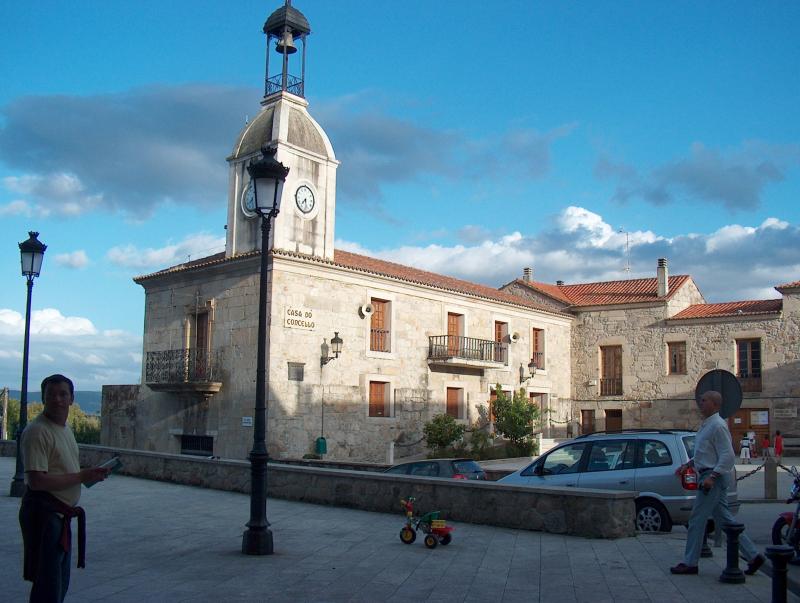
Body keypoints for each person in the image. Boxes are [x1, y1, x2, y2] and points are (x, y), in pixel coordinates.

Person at [18, 374, 110, 603]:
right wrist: (80, 476)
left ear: (72, 399)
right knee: (48, 589)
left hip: (59, 518)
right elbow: (36, 481)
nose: (57, 399)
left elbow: (62, 470)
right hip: (45, 516)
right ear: (43, 398)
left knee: (58, 585)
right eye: (51, 395)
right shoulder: (38, 431)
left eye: (63, 394)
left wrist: (88, 476)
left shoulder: (65, 429)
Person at [670, 390, 765, 575]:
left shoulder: (718, 426)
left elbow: (727, 456)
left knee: (697, 520)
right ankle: (754, 556)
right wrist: (687, 465)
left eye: (704, 400)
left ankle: (690, 562)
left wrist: (712, 477)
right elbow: (705, 453)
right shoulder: (707, 425)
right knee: (725, 519)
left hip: (711, 478)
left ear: (714, 404)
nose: (700, 403)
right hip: (708, 475)